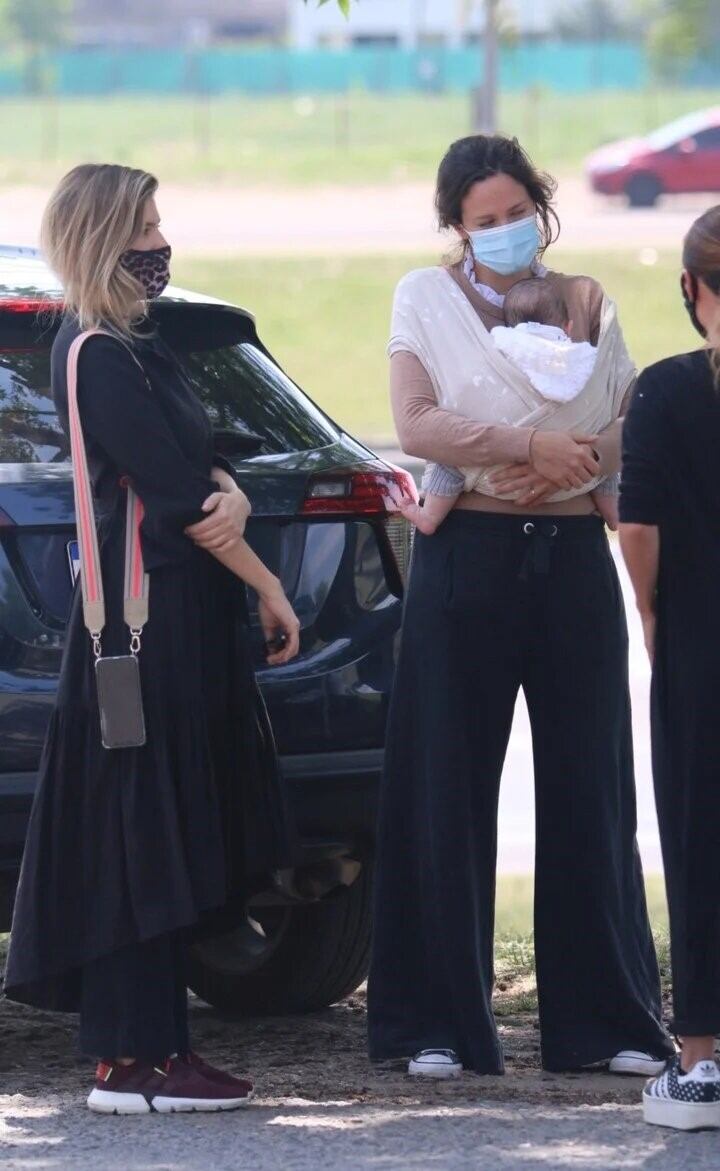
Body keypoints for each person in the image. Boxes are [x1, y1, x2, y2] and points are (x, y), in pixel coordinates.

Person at [367, 134, 674, 1080]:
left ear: (540, 210)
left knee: (593, 786)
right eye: (482, 221)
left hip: (572, 556)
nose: (502, 233)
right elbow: (417, 421)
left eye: (515, 216)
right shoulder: (424, 297)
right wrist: (527, 447)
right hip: (468, 560)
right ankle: (436, 1024)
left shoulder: (585, 299)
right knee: (444, 784)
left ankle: (606, 1021)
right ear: (456, 227)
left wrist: (579, 460)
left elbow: (627, 418)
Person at [4, 164, 301, 1115]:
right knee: (138, 840)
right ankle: (130, 1059)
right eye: (146, 227)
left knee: (164, 835)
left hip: (183, 630)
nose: (160, 243)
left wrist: (237, 493)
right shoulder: (94, 354)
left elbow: (208, 464)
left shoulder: (140, 349)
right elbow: (183, 504)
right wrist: (271, 587)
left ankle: (155, 1051)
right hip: (141, 634)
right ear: (105, 237)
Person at [620, 205, 720, 1131]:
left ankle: (701, 1065)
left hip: (699, 641)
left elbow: (638, 528)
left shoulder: (666, 391)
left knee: (699, 843)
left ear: (691, 290)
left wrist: (651, 610)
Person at [393, 277, 619, 535]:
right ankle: (614, 513)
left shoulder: (501, 344)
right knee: (605, 460)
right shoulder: (581, 351)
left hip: (498, 478)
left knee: (448, 463)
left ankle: (429, 517)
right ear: (567, 326)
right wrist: (558, 451)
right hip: (577, 460)